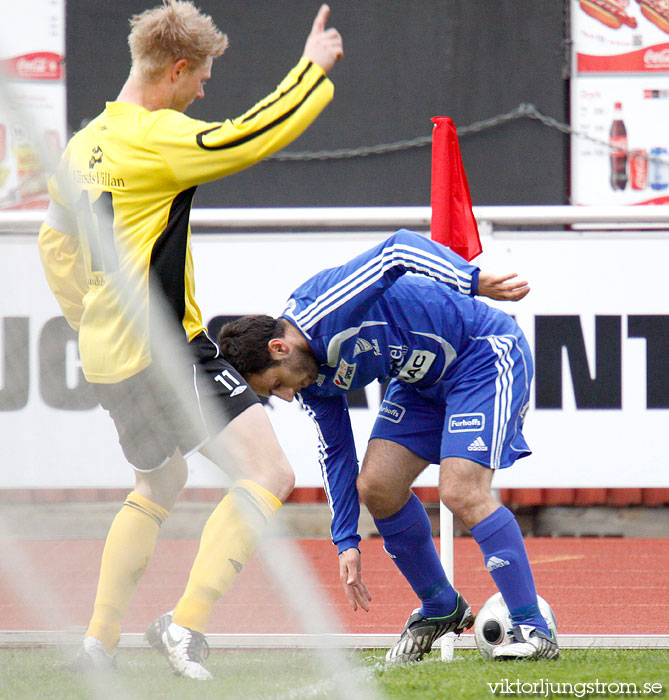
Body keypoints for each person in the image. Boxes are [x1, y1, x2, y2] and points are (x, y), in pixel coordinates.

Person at [37, 0, 343, 680]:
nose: (203, 91)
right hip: (165, 349)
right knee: (269, 474)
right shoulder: (155, 138)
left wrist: (88, 319)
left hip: (108, 357)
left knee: (158, 481)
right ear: (175, 69)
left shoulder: (82, 143)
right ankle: (185, 626)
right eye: (201, 77)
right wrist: (310, 71)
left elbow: (54, 245)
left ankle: (98, 640)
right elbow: (246, 137)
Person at [217, 229, 560, 663]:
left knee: (460, 491)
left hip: (481, 356)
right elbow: (336, 452)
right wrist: (346, 540)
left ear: (279, 348)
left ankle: (535, 628)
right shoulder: (311, 381)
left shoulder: (324, 310)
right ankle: (440, 607)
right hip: (418, 383)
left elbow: (396, 249)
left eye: (277, 385)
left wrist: (470, 280)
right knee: (377, 486)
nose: (287, 396)